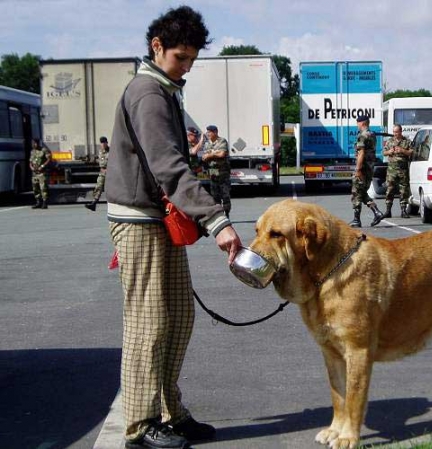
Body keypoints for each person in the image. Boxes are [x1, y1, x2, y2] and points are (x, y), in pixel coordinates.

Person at [105, 6, 242, 449]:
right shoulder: (148, 92)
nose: (186, 68)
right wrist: (216, 220)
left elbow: (172, 164)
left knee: (178, 318)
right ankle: (140, 429)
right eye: (181, 57)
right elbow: (168, 166)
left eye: (192, 61)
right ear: (156, 46)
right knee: (148, 324)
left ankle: (169, 412)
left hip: (159, 221)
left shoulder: (164, 89)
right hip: (139, 221)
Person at [349, 115, 384, 227]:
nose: (357, 125)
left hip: (363, 168)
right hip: (369, 167)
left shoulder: (362, 135)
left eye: (357, 123)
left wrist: (358, 169)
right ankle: (377, 212)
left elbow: (361, 153)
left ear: (362, 123)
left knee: (356, 192)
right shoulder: (372, 134)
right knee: (362, 192)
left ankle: (356, 219)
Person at [382, 124, 413, 218]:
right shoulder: (389, 141)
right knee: (389, 190)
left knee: (403, 190)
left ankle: (403, 210)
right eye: (394, 132)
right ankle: (388, 210)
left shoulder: (407, 141)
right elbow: (383, 152)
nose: (395, 134)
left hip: (403, 170)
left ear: (400, 131)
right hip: (392, 171)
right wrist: (389, 152)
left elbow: (411, 152)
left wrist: (403, 150)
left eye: (397, 132)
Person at [201, 125, 231, 218]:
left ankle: (227, 213)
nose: (208, 134)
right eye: (208, 132)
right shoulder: (207, 144)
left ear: (215, 132)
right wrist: (213, 153)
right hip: (213, 172)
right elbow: (204, 157)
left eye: (210, 132)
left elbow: (222, 154)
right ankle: (219, 215)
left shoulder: (222, 141)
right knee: (215, 195)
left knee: (225, 195)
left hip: (223, 172)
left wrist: (210, 155)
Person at [85, 136, 110, 211]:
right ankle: (94, 203)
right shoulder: (100, 152)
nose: (103, 144)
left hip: (110, 173)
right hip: (102, 172)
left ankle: (116, 204)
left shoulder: (111, 151)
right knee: (98, 187)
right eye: (101, 143)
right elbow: (98, 160)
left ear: (107, 143)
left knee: (111, 189)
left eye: (104, 142)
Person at [29, 138, 52, 209]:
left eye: (35, 143)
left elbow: (49, 159)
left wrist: (42, 166)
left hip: (42, 172)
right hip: (34, 173)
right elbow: (30, 162)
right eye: (32, 143)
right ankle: (38, 202)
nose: (33, 144)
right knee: (35, 188)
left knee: (43, 188)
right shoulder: (32, 152)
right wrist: (31, 167)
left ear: (38, 143)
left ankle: (45, 203)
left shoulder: (44, 150)